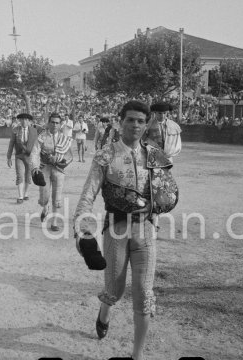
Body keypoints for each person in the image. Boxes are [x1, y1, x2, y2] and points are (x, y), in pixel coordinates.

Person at [74, 100, 179, 360]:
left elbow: (169, 193)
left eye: (141, 121)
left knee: (144, 294)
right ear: (121, 121)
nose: (135, 125)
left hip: (144, 229)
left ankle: (137, 355)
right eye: (130, 119)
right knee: (115, 290)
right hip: (116, 230)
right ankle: (105, 311)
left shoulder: (154, 154)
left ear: (146, 124)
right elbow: (87, 197)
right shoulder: (106, 155)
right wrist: (85, 235)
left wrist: (159, 205)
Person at [30, 113, 73, 231]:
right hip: (44, 168)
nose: (54, 125)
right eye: (52, 122)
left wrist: (60, 160)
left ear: (60, 125)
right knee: (44, 196)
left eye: (57, 123)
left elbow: (69, 156)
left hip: (58, 170)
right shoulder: (42, 137)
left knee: (57, 197)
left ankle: (54, 222)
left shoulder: (64, 138)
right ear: (48, 123)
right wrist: (35, 167)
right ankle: (45, 208)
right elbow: (34, 152)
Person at [7, 113, 37, 203]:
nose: (24, 121)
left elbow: (36, 145)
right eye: (22, 119)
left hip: (29, 156)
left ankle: (25, 194)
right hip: (19, 156)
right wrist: (8, 157)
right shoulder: (15, 130)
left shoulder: (34, 131)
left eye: (26, 120)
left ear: (29, 121)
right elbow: (11, 144)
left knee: (28, 175)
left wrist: (36, 158)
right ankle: (20, 196)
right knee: (19, 175)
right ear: (20, 121)